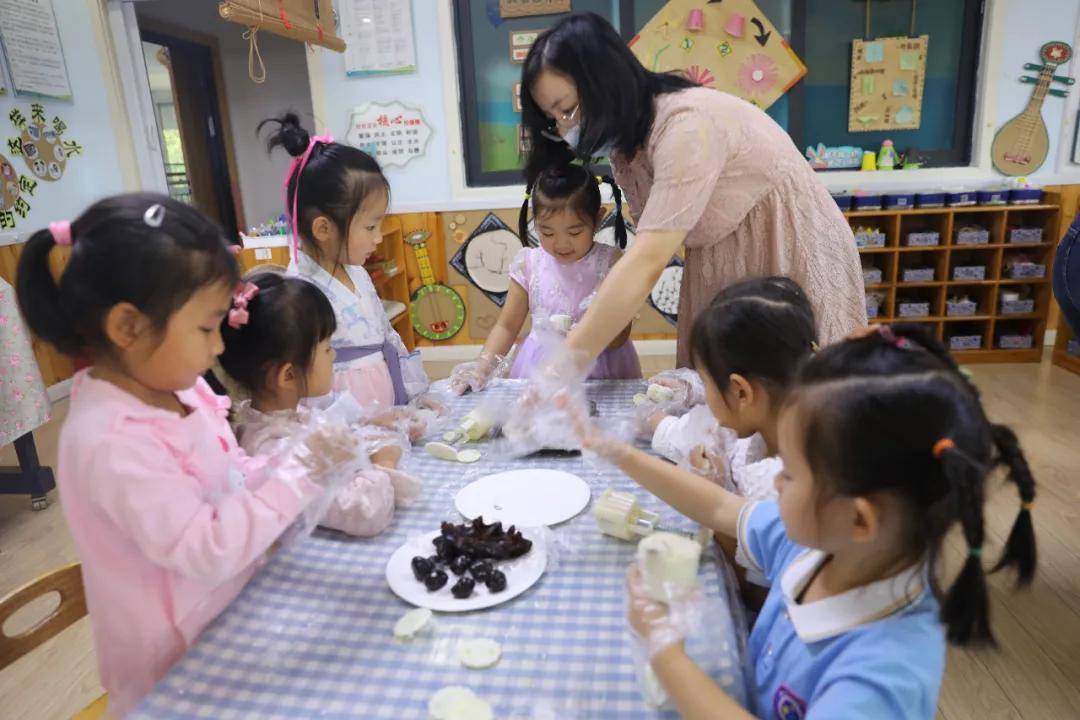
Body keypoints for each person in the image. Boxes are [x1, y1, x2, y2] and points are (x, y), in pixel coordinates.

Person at [572, 323, 1036, 719]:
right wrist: (616, 452)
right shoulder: (822, 546)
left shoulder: (883, 675)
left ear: (859, 519)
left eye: (788, 473)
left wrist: (665, 652)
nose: (774, 483)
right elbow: (719, 508)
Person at [14, 194, 357, 716]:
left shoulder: (181, 388)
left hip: (227, 618)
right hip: (171, 667)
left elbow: (232, 474)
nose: (219, 348)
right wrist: (300, 472)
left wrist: (290, 461)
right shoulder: (109, 442)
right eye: (204, 329)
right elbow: (205, 546)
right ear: (127, 327)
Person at [520, 12, 866, 371]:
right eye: (554, 118)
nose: (565, 128)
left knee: (794, 386)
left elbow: (647, 261)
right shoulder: (628, 149)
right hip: (722, 256)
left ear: (605, 82)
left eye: (568, 110)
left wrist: (562, 367)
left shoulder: (686, 127)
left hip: (787, 242)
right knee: (726, 385)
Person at [219, 272, 422, 538]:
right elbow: (365, 513)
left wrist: (367, 430)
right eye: (327, 348)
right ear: (288, 375)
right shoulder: (272, 449)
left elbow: (329, 430)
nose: (334, 355)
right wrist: (384, 464)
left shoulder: (281, 414)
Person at [260, 113, 429, 412]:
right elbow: (305, 393)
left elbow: (387, 335)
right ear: (324, 229)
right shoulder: (300, 293)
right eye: (370, 227)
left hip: (384, 413)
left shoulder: (357, 273)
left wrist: (415, 397)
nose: (378, 238)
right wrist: (359, 427)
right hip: (346, 424)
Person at [448, 158, 641, 393]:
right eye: (547, 232)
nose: (561, 243)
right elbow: (507, 326)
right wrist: (481, 368)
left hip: (601, 366)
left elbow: (620, 337)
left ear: (598, 219)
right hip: (540, 364)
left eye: (574, 231)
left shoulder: (610, 262)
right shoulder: (529, 264)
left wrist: (583, 332)